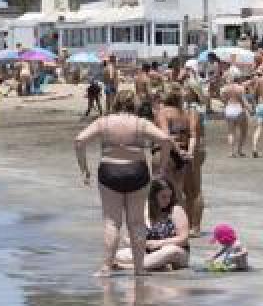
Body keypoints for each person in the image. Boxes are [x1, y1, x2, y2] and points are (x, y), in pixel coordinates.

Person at [74, 91, 176, 276]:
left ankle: (106, 267)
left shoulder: (103, 122)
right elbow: (165, 140)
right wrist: (161, 168)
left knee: (111, 222)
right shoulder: (140, 123)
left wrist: (84, 169)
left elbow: (80, 140)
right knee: (136, 222)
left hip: (110, 171)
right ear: (134, 105)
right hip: (137, 171)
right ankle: (139, 268)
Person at [116, 179, 191, 272]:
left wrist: (157, 244)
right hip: (147, 252)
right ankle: (156, 265)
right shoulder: (142, 211)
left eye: (169, 196)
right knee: (120, 254)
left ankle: (130, 267)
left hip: (175, 252)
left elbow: (183, 239)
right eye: (163, 197)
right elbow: (126, 238)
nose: (168, 200)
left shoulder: (176, 210)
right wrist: (142, 244)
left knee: (171, 251)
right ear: (153, 197)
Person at [154, 87, 196, 210]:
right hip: (182, 154)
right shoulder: (185, 114)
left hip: (165, 153)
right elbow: (192, 136)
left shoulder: (163, 112)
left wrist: (178, 151)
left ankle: (160, 225)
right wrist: (188, 152)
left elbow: (166, 136)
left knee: (159, 192)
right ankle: (180, 224)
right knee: (177, 193)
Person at [182, 88, 207, 236]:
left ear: (192, 92)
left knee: (195, 188)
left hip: (195, 149)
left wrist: (191, 150)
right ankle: (191, 224)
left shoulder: (193, 109)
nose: (183, 91)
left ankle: (195, 226)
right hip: (196, 148)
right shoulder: (191, 108)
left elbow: (194, 132)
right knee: (188, 189)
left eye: (186, 89)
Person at [221, 79, 251, 157]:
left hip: (229, 108)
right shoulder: (240, 88)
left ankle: (231, 152)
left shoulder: (225, 89)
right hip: (238, 108)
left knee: (231, 132)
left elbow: (224, 100)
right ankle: (239, 150)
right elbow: (243, 100)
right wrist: (249, 109)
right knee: (243, 131)